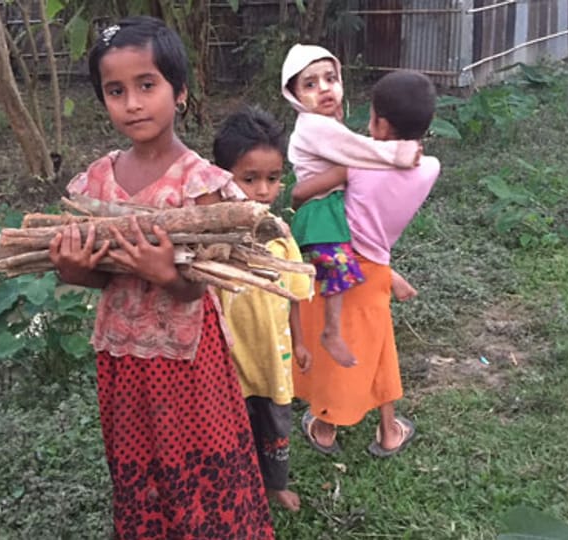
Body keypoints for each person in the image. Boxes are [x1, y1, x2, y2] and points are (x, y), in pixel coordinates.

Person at [48, 16, 274, 539]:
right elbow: (107, 277)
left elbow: (204, 283)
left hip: (189, 361)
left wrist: (169, 274)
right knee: (138, 462)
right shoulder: (97, 181)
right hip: (122, 355)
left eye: (147, 85)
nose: (132, 102)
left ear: (181, 92)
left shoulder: (203, 187)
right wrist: (74, 271)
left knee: (203, 462)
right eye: (115, 90)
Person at [292, 70, 441, 457]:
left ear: (380, 123)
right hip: (376, 267)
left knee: (338, 352)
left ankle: (324, 428)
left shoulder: (357, 166)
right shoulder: (430, 168)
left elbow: (299, 194)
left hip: (340, 266)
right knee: (378, 349)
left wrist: (336, 170)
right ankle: (389, 431)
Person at [281, 43, 420, 370]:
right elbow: (359, 152)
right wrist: (400, 154)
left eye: (331, 79)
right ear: (295, 96)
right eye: (310, 84)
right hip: (318, 209)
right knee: (339, 263)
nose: (324, 89)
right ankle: (331, 331)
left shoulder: (327, 123)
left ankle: (388, 274)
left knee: (365, 239)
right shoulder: (313, 126)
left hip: (336, 203)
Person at [211, 106, 313, 512]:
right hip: (229, 361)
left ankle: (274, 485)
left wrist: (301, 342)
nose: (263, 190)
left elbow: (294, 295)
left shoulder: (281, 240)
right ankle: (236, 486)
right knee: (230, 428)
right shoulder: (215, 243)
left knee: (274, 425)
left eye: (272, 179)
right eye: (249, 179)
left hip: (272, 357)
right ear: (222, 180)